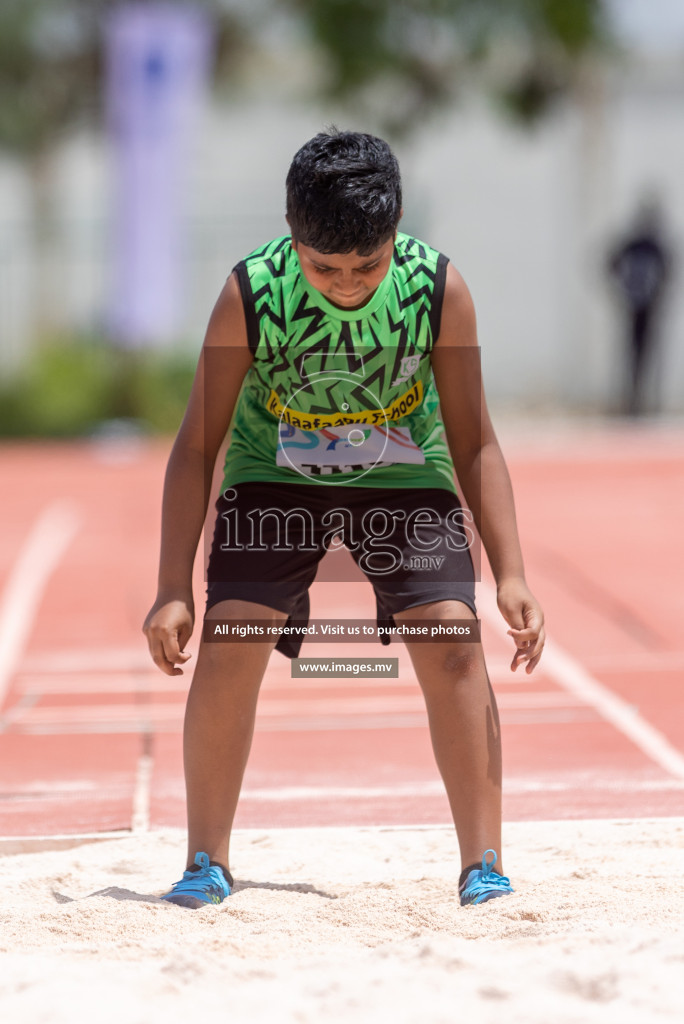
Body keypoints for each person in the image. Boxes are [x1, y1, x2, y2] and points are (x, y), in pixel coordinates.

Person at [143, 129, 545, 909]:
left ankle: (484, 862)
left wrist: (513, 572)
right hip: (274, 470)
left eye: (368, 265)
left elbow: (476, 440)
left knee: (453, 639)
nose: (349, 283)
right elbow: (197, 444)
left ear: (396, 236)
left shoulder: (437, 290)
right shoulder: (251, 293)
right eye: (325, 267)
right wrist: (171, 586)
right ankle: (205, 859)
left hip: (403, 467)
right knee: (232, 641)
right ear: (293, 240)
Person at [608, 198, 671, 416]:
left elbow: (666, 272)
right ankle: (632, 402)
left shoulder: (648, 245)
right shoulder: (640, 244)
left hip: (644, 307)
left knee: (644, 355)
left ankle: (642, 402)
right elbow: (611, 263)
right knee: (633, 355)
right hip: (636, 305)